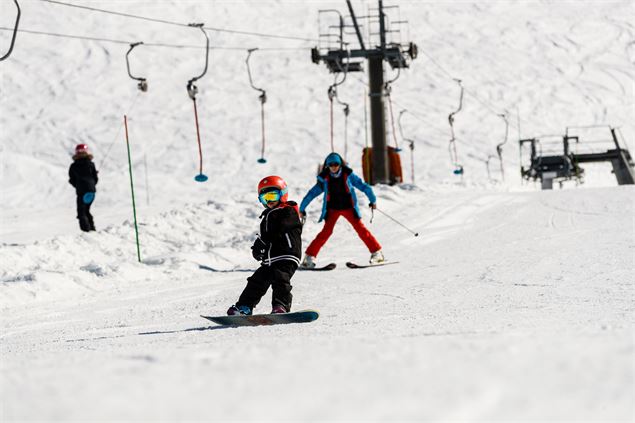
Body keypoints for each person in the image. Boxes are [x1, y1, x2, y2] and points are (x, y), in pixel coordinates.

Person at [227, 176, 303, 315]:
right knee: (257, 281)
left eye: (272, 195)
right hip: (271, 258)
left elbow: (281, 227)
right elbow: (266, 235)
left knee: (280, 279)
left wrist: (264, 240)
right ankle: (244, 307)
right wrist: (259, 247)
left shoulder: (289, 210)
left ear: (282, 194)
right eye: (265, 198)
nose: (269, 201)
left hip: (287, 254)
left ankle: (281, 306)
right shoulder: (268, 215)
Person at [299, 152, 383, 268]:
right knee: (326, 232)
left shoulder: (348, 175)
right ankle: (309, 257)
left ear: (340, 164)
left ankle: (377, 253)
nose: (334, 167)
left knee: (361, 229)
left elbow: (364, 186)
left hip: (349, 208)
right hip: (333, 209)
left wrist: (372, 200)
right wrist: (302, 208)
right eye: (331, 165)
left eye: (336, 164)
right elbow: (311, 194)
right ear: (327, 166)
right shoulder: (324, 179)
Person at [68, 143, 98, 232]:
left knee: (81, 212)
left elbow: (72, 180)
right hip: (91, 191)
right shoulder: (91, 164)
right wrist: (91, 185)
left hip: (82, 191)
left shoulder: (73, 166)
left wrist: (77, 186)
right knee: (86, 210)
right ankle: (92, 228)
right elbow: (95, 178)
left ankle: (87, 231)